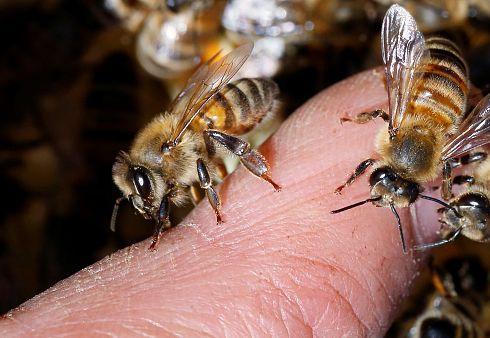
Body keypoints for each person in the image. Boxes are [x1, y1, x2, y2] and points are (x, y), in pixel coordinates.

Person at [0, 70, 440, 336]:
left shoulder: (171, 149)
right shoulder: (163, 165)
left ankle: (262, 174)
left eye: (141, 189)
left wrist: (218, 204)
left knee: (209, 142)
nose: (145, 200)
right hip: (215, 118)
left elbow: (203, 161)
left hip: (231, 111)